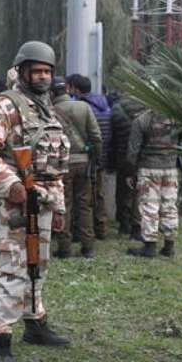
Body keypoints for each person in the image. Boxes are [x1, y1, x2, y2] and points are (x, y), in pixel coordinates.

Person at [0, 40, 70, 362]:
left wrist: (58, 208)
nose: (42, 76)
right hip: (16, 203)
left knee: (38, 265)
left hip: (44, 200)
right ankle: (0, 339)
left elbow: (55, 165)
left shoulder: (47, 108)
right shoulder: (5, 105)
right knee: (13, 268)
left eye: (47, 71)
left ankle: (35, 323)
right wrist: (12, 184)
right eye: (37, 71)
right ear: (23, 71)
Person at [51, 76, 102, 258]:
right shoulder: (84, 107)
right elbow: (96, 136)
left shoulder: (49, 111)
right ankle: (88, 247)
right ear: (67, 89)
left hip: (60, 164)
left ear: (51, 92)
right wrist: (94, 156)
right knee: (85, 204)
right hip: (83, 161)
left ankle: (64, 247)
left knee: (63, 205)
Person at [125, 108, 179, 258]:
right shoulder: (177, 118)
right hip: (171, 168)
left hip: (148, 168)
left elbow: (133, 149)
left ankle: (149, 246)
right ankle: (169, 245)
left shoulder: (141, 120)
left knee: (150, 207)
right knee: (169, 206)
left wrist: (130, 172)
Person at [68, 74, 112, 239]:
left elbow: (89, 135)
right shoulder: (105, 106)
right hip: (101, 156)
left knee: (82, 197)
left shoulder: (83, 108)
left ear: (75, 89)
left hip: (87, 157)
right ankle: (101, 229)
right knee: (98, 194)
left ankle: (81, 231)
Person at [110, 95, 147, 236]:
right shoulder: (146, 106)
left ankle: (123, 224)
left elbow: (112, 135)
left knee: (122, 191)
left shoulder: (116, 107)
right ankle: (137, 225)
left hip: (122, 155)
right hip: (142, 155)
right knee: (139, 191)